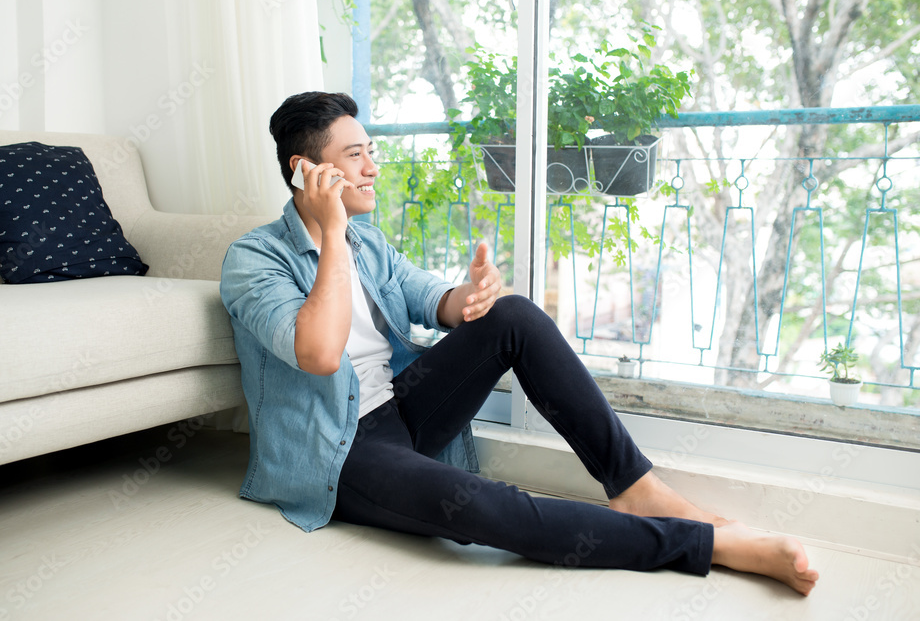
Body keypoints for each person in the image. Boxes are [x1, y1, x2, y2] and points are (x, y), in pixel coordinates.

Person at [219, 91, 819, 595]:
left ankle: (636, 487)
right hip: (339, 448)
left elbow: (432, 297)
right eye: (355, 156)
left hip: (400, 408)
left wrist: (473, 297)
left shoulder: (369, 244)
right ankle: (707, 545)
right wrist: (330, 235)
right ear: (305, 170)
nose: (372, 167)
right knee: (479, 507)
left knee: (514, 315)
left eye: (371, 151)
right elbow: (320, 354)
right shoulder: (254, 259)